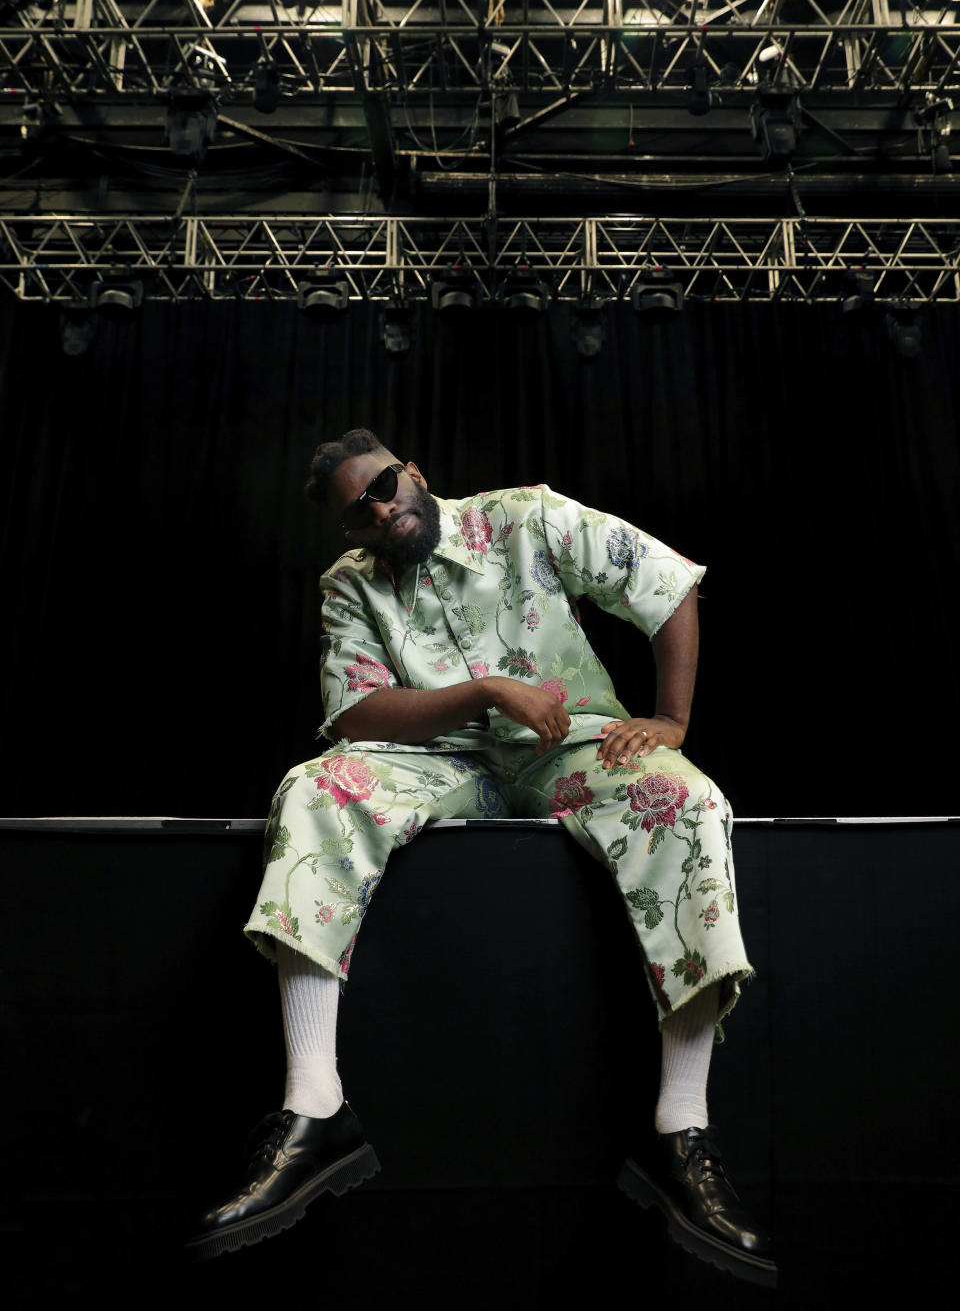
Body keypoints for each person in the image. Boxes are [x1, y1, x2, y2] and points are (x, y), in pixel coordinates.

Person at [188, 428, 775, 1287]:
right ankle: (314, 1111)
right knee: (314, 790)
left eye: (387, 484)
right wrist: (486, 691)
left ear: (414, 469)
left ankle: (681, 1131)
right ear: (349, 531)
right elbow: (354, 714)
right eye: (361, 509)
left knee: (689, 800)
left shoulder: (523, 520)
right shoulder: (349, 589)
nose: (384, 508)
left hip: (569, 744)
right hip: (437, 762)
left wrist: (673, 721)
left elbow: (666, 581)